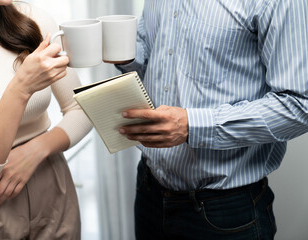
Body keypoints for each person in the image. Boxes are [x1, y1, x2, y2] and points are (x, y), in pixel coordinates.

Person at [115, 0, 308, 239]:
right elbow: (153, 50)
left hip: (226, 212)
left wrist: (191, 126)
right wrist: (126, 56)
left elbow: (299, 104)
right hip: (149, 189)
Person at [0, 0, 92, 239]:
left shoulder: (34, 20)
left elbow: (81, 108)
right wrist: (21, 88)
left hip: (52, 188)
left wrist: (36, 150)